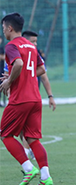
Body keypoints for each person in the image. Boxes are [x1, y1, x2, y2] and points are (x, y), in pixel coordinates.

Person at [0, 13, 53, 185]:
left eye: (3, 28)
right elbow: (40, 69)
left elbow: (19, 65)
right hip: (35, 99)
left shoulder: (11, 46)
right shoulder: (31, 46)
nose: (3, 32)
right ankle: (46, 176)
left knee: (5, 134)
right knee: (32, 138)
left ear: (9, 28)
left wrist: (9, 80)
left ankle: (28, 168)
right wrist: (18, 76)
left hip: (20, 99)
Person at [19, 30, 57, 160]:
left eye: (36, 42)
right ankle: (33, 151)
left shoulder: (35, 55)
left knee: (25, 129)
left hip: (29, 97)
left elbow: (44, 77)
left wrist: (50, 96)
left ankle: (27, 159)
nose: (35, 44)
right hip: (20, 97)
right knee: (22, 130)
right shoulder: (16, 54)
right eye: (32, 41)